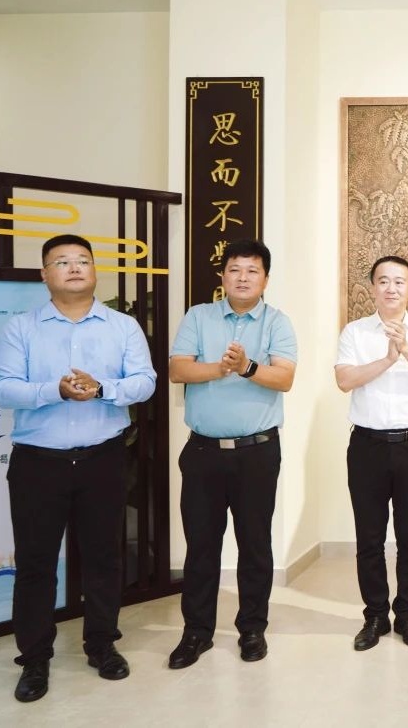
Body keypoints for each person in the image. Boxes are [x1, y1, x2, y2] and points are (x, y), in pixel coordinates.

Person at [0, 234, 156, 703]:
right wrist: (55, 391)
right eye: (62, 261)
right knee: (36, 563)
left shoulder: (122, 326)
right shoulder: (22, 328)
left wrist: (102, 388)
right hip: (38, 463)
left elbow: (145, 382)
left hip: (103, 458)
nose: (75, 267)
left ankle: (101, 645)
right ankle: (34, 658)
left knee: (103, 557)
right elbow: (3, 387)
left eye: (83, 260)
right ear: (45, 275)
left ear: (95, 271)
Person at [166, 239, 297, 669]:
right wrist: (220, 368)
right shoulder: (198, 317)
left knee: (255, 544)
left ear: (266, 279)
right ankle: (196, 632)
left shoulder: (277, 322)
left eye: (252, 270)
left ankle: (252, 629)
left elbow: (284, 378)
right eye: (235, 269)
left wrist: (247, 367)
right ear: (222, 275)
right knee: (201, 545)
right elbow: (178, 369)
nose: (243, 277)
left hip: (257, 452)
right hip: (203, 452)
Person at [335, 255, 408, 650]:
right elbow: (344, 380)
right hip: (366, 446)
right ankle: (376, 616)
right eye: (383, 281)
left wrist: (405, 348)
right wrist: (386, 359)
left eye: (399, 282)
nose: (391, 288)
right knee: (369, 537)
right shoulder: (355, 332)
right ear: (373, 288)